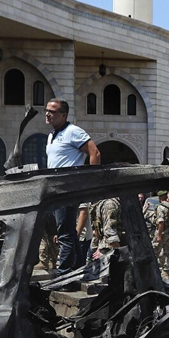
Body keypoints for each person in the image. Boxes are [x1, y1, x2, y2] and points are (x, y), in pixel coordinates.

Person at [44, 97, 101, 270]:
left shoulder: (73, 131)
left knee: (65, 233)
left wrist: (91, 181)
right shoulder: (51, 135)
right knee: (68, 230)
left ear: (63, 115)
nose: (47, 114)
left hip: (68, 187)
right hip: (56, 189)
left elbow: (95, 153)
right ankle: (77, 269)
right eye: (46, 110)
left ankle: (65, 273)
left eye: (52, 111)